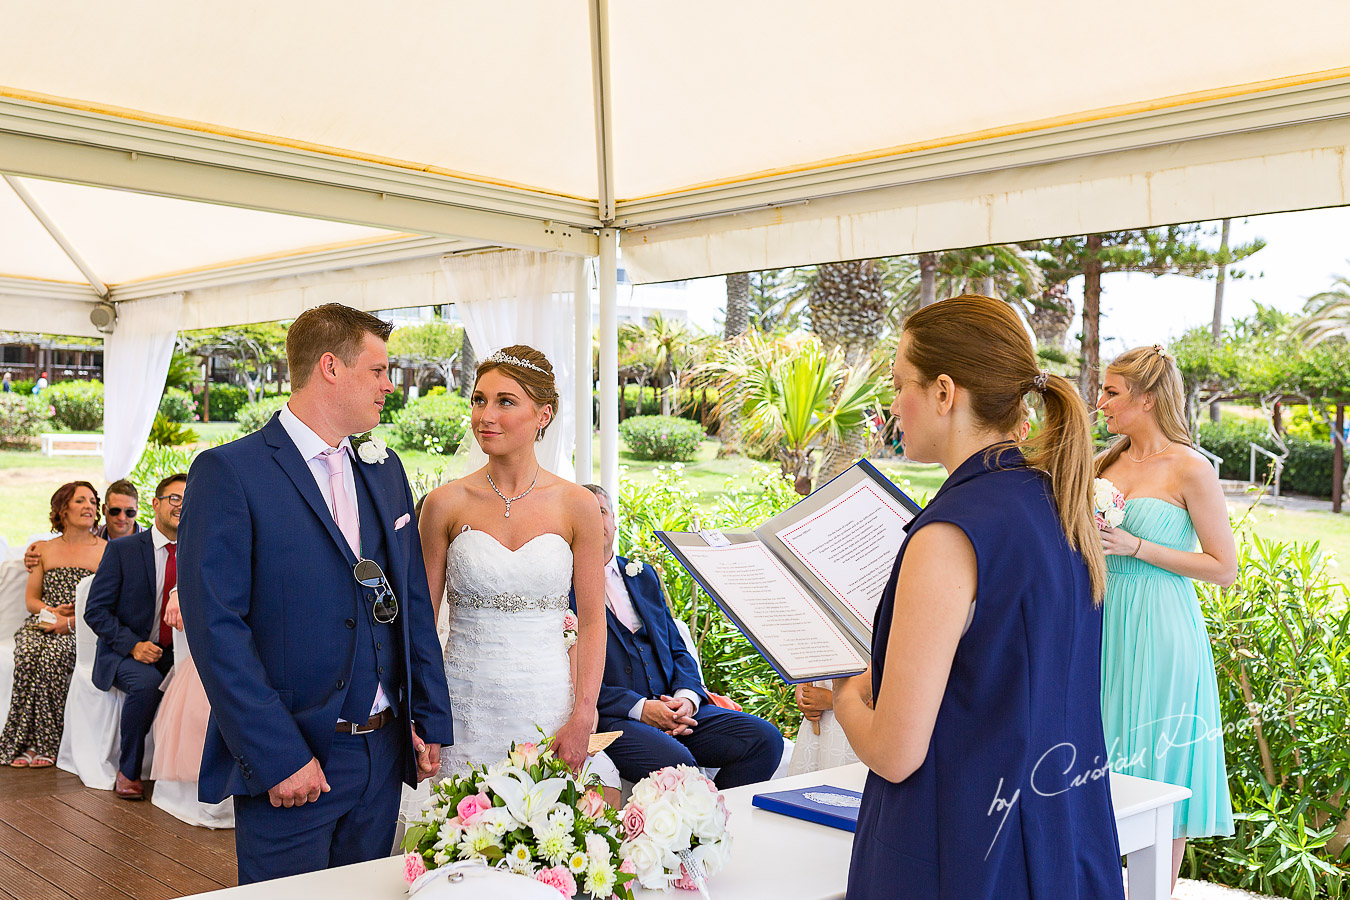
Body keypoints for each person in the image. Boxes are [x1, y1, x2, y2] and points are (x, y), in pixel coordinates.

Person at [832, 295, 1124, 899]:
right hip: (1061, 840)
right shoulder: (1060, 504)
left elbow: (894, 752)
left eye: (898, 384)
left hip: (961, 854)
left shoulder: (948, 534)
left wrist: (841, 690)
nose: (892, 406)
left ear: (944, 392)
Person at [177, 303, 453, 884]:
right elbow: (216, 629)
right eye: (378, 370)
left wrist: (427, 717)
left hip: (382, 757)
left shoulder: (384, 468)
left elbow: (409, 602)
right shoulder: (231, 472)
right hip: (296, 760)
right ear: (331, 366)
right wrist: (280, 756)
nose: (389, 385)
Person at [419, 345, 614, 788]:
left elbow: (592, 622)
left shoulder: (578, 505)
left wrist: (585, 713)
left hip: (545, 706)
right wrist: (424, 712)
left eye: (506, 401)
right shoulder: (444, 504)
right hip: (461, 707)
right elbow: (422, 624)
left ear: (543, 415)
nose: (485, 415)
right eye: (479, 399)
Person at [1095, 345, 1237, 890]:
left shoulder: (1190, 467)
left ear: (1147, 397)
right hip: (1104, 623)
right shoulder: (1102, 463)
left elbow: (1224, 567)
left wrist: (1136, 546)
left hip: (1161, 628)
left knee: (1158, 766)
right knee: (1100, 763)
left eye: (1112, 391)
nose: (1100, 402)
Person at [579, 483, 782, 789]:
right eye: (584, 515)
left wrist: (685, 699)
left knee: (764, 740)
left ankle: (720, 823)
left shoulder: (642, 575)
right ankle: (705, 827)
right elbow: (571, 677)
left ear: (614, 522)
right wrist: (642, 709)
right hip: (615, 720)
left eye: (601, 512)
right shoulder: (561, 588)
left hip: (676, 711)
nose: (595, 521)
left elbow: (677, 648)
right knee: (678, 766)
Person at [83, 474, 186, 800]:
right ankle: (129, 770)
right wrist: (133, 645)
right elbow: (95, 611)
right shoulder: (124, 550)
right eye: (175, 498)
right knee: (144, 684)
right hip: (124, 651)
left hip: (180, 652)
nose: (182, 505)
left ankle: (190, 779)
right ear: (155, 504)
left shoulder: (197, 550)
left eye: (189, 499)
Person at [0, 482, 106, 768]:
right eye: (80, 500)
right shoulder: (42, 549)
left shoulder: (106, 551)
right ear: (62, 509)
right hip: (42, 621)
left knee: (53, 657)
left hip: (81, 627)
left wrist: (69, 621)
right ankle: (20, 742)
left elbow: (105, 603)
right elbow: (31, 600)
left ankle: (47, 744)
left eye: (93, 501)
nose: (89, 506)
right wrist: (51, 611)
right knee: (27, 654)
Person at [24, 478, 141, 572]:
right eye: (115, 511)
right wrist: (35, 551)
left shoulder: (150, 543)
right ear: (104, 510)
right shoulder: (92, 536)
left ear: (137, 511)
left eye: (129, 512)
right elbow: (67, 542)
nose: (122, 517)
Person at [785, 681, 858, 775]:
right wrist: (803, 701)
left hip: (854, 728)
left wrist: (834, 700)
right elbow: (805, 681)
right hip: (815, 733)